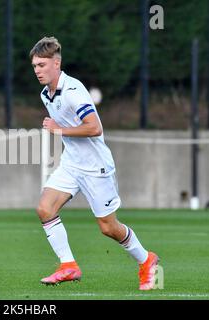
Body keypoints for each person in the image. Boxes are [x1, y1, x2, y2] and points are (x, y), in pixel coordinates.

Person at [30, 36, 159, 290]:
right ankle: (68, 266)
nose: (37, 70)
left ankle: (146, 260)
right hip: (71, 164)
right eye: (34, 66)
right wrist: (61, 130)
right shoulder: (46, 94)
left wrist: (59, 129)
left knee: (108, 228)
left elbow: (94, 128)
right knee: (45, 209)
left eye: (42, 65)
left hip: (96, 168)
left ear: (57, 64)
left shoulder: (74, 91)